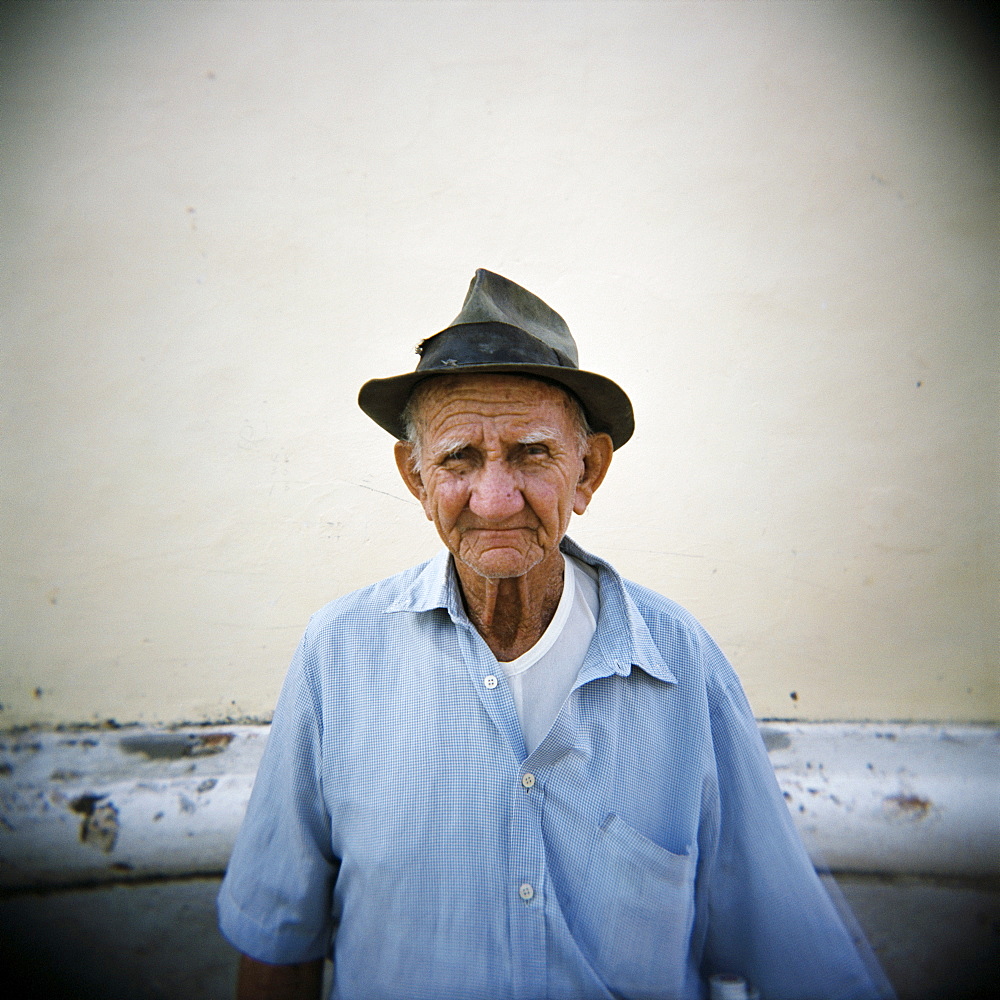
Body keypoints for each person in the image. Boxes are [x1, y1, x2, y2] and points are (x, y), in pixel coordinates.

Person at [218, 270, 891, 1000]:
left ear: (588, 470)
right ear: (415, 477)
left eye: (531, 453)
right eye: (459, 458)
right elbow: (277, 944)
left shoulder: (677, 661)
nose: (495, 499)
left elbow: (795, 951)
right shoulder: (338, 655)